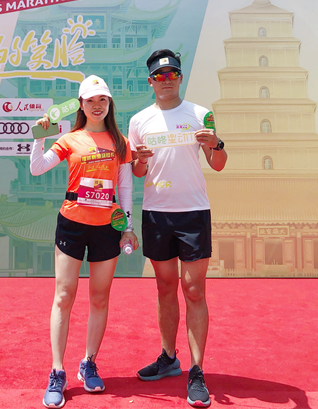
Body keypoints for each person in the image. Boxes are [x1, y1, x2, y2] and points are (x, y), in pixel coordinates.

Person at [31, 75, 139, 408]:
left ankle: (89, 362)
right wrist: (39, 138)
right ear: (80, 104)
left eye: (102, 99)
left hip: (107, 226)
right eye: (90, 100)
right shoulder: (69, 139)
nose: (96, 105)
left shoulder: (121, 142)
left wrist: (128, 227)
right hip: (72, 224)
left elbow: (126, 188)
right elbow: (37, 168)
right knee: (64, 296)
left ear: (109, 104)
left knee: (99, 297)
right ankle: (57, 371)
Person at [128, 49, 227, 408]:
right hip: (157, 213)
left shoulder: (200, 114)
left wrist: (216, 144)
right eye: (159, 75)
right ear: (150, 81)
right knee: (165, 286)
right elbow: (138, 172)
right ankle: (169, 357)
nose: (166, 80)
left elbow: (218, 163)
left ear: (180, 78)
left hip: (193, 213)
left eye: (172, 74)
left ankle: (197, 371)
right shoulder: (139, 120)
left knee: (194, 290)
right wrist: (139, 161)